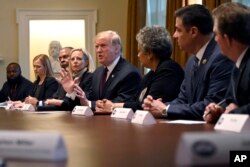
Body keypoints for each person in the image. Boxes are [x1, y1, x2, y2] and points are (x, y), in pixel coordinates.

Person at [142, 4, 234, 120]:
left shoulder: (221, 57)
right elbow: (183, 99)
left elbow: (211, 104)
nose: (174, 35)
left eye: (178, 30)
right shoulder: (191, 61)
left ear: (193, 32)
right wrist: (158, 106)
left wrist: (166, 110)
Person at [98, 26, 184, 112]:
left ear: (149, 53)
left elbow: (147, 106)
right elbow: (135, 101)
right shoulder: (151, 74)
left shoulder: (168, 70)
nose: (138, 55)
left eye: (140, 51)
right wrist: (114, 105)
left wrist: (113, 106)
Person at [61, 30, 141, 111]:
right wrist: (71, 92)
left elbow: (117, 105)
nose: (98, 50)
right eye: (97, 46)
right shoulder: (97, 72)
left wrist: (89, 103)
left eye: (103, 46)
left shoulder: (130, 73)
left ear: (116, 49)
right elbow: (86, 101)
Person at [203, 2, 250, 123]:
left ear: (227, 38)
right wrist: (219, 110)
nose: (215, 39)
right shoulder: (238, 63)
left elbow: (236, 108)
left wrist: (232, 113)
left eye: (216, 34)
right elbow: (230, 102)